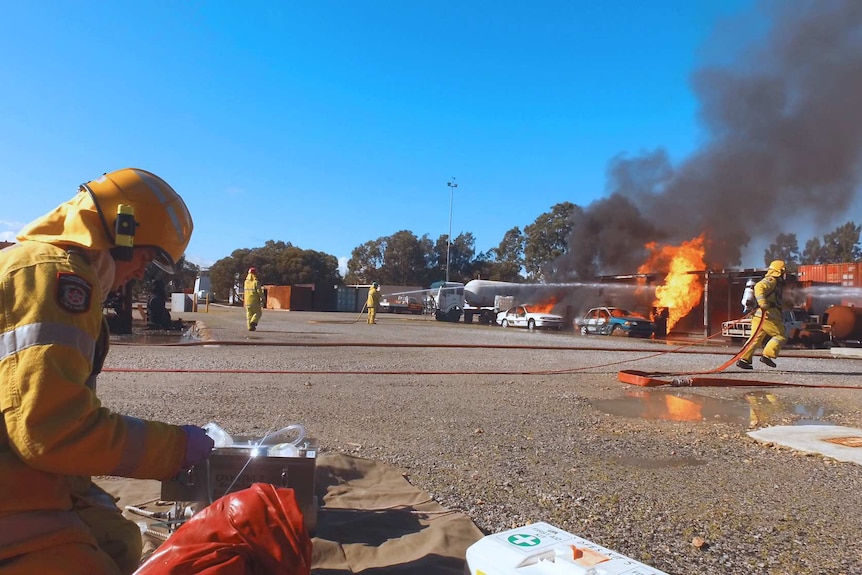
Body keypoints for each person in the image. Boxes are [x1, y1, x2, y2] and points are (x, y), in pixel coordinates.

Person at [0, 168, 215, 575]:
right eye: (147, 258)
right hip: (15, 482)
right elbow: (53, 432)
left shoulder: (36, 267)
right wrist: (174, 449)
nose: (141, 272)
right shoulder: (55, 278)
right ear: (123, 231)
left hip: (20, 465)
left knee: (121, 541)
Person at [737, 260, 788, 370]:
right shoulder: (772, 280)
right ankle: (767, 355)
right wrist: (762, 302)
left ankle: (744, 360)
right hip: (768, 316)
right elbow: (759, 287)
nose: (785, 275)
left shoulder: (775, 283)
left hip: (758, 316)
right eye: (783, 272)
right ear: (779, 272)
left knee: (755, 339)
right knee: (780, 335)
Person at [244, 267, 264, 331]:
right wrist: (263, 298)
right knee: (258, 312)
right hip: (254, 301)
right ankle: (254, 322)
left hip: (247, 301)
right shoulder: (256, 282)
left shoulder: (246, 282)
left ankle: (250, 327)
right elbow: (259, 292)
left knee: (249, 314)